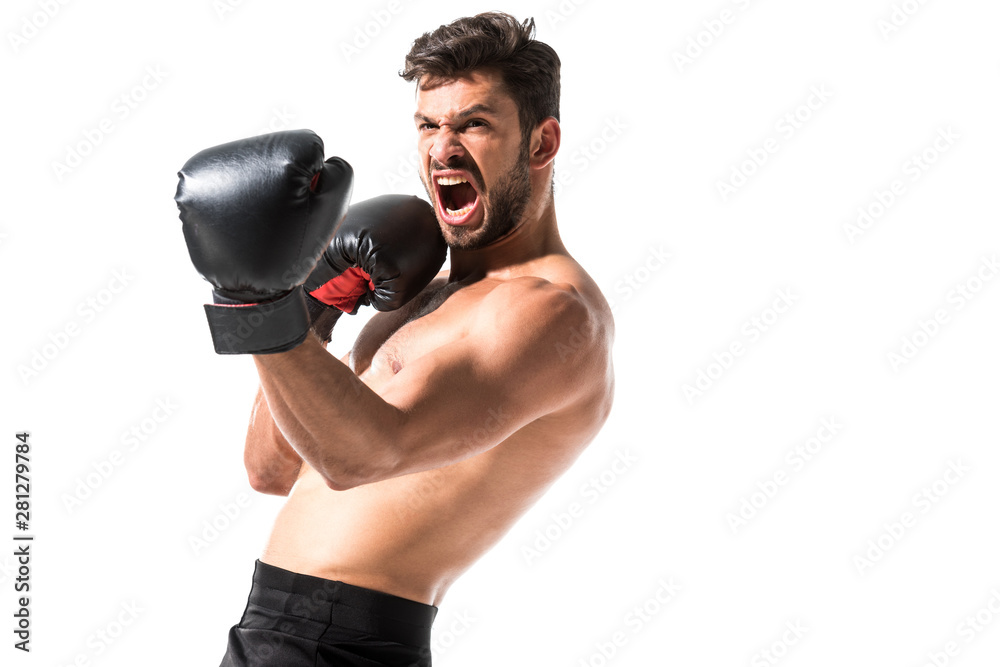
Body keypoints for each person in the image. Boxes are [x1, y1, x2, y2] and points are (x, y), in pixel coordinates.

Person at [175, 12, 614, 666]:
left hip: (345, 643)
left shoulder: (553, 314)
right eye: (428, 125)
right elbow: (274, 466)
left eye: (474, 123)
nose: (442, 149)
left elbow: (360, 458)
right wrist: (310, 306)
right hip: (271, 623)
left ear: (542, 144)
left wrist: (261, 305)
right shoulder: (420, 290)